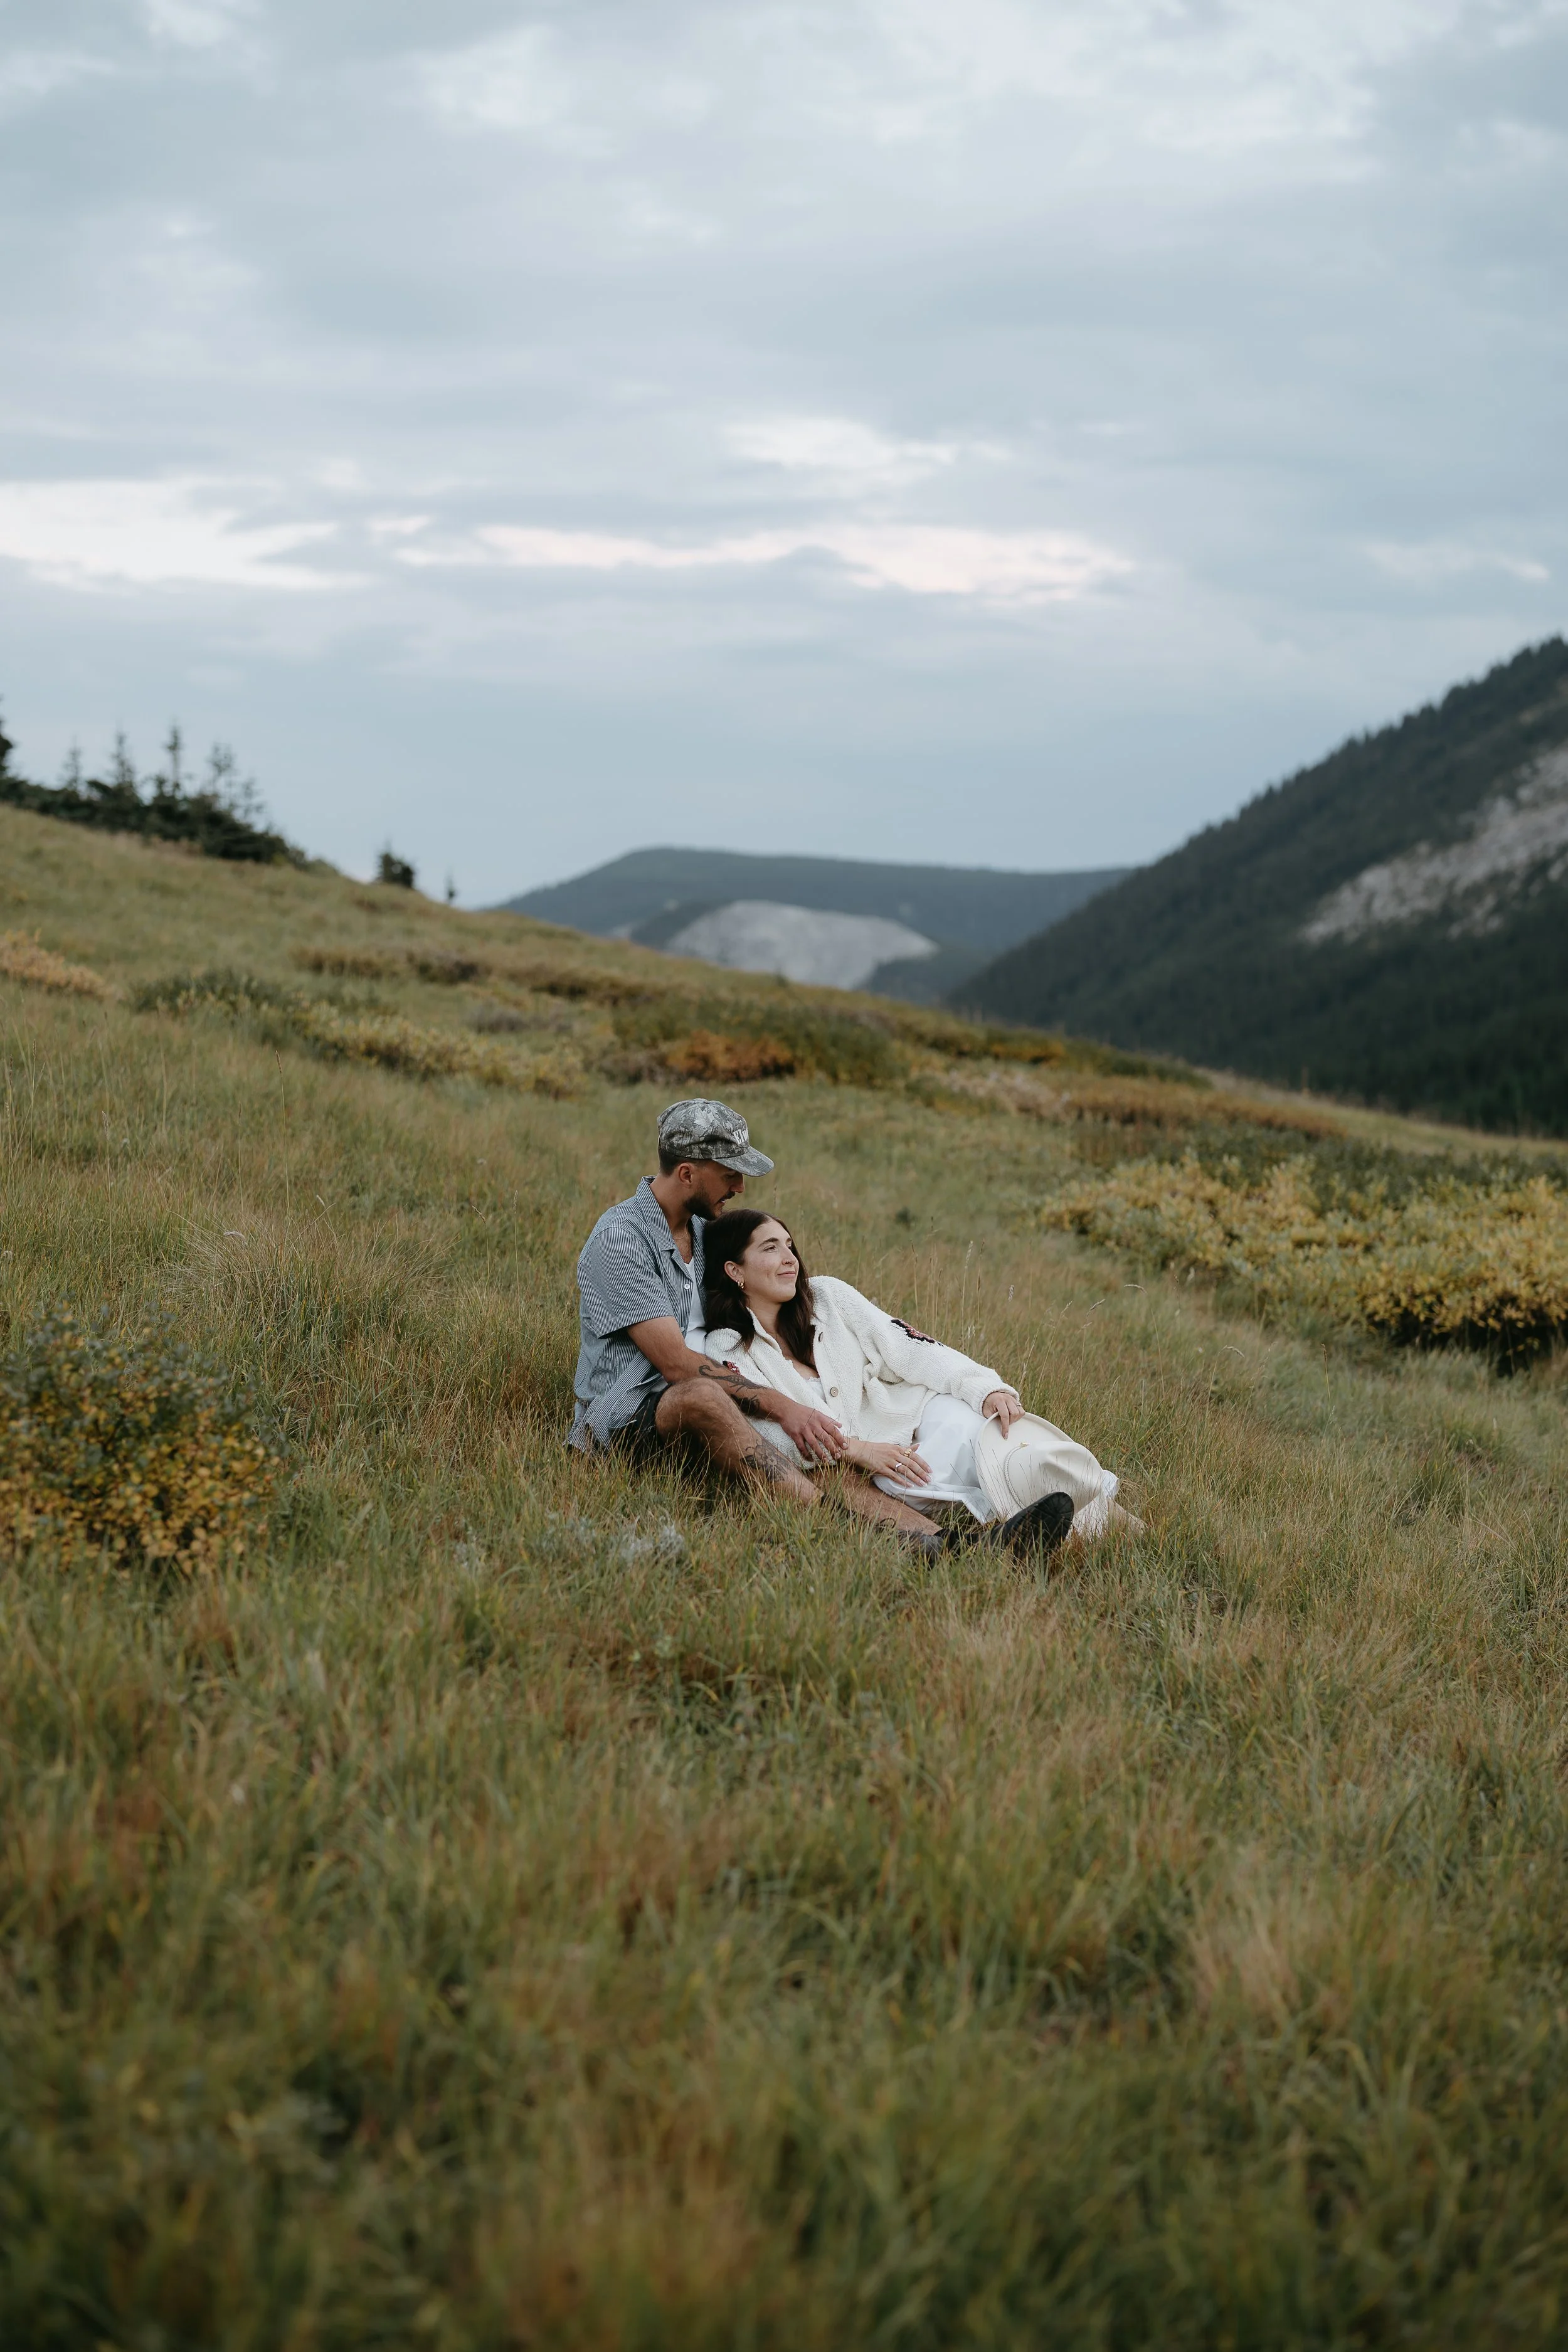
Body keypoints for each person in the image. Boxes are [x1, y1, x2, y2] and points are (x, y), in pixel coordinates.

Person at [699, 1208, 1136, 1559]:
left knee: (990, 1435)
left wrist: (985, 1388)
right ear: (735, 1271)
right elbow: (765, 1434)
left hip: (910, 1414)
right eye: (771, 1248)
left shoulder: (828, 1296)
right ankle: (1009, 1539)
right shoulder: (727, 1347)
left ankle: (1103, 1516)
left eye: (790, 1245)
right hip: (869, 1463)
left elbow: (908, 1347)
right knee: (905, 1480)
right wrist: (856, 1449)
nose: (790, 1258)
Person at [569, 1098, 853, 1505]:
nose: (739, 1188)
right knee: (706, 1397)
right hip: (627, 1420)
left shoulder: (706, 1232)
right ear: (687, 1173)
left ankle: (930, 1541)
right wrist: (782, 1406)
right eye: (729, 1175)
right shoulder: (620, 1240)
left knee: (810, 1422)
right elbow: (675, 1364)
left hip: (711, 1404)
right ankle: (828, 1518)